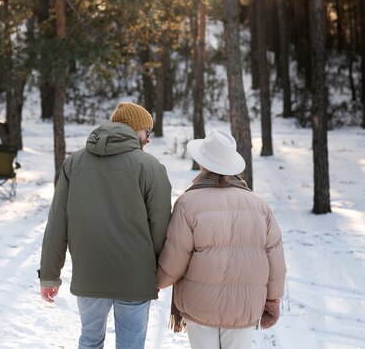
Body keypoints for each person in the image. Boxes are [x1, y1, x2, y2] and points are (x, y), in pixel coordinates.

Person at [39, 102, 172, 349]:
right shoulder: (151, 167)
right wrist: (154, 269)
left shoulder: (74, 163)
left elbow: (58, 222)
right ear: (135, 130)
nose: (149, 139)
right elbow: (161, 226)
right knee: (131, 344)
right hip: (135, 275)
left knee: (90, 340)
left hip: (90, 274)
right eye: (148, 132)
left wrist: (49, 275)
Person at [157, 129, 286, 349]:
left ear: (203, 164)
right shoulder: (259, 206)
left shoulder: (188, 203)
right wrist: (273, 300)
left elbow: (176, 256)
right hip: (244, 306)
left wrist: (157, 283)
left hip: (200, 304)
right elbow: (275, 258)